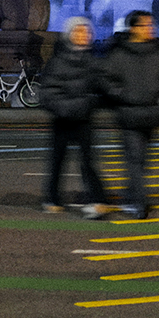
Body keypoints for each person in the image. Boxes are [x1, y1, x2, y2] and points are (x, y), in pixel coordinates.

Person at [99, 11, 159, 219]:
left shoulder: (156, 53)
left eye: (150, 25)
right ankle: (138, 204)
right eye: (144, 25)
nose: (149, 29)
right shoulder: (119, 54)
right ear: (133, 28)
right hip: (128, 114)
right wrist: (122, 94)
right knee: (134, 160)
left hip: (151, 114)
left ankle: (130, 195)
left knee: (141, 162)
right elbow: (106, 80)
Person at [40, 16, 110, 218]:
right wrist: (69, 107)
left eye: (86, 31)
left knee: (88, 162)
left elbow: (103, 88)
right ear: (69, 35)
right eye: (78, 31)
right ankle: (52, 198)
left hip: (84, 120)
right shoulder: (57, 61)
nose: (83, 35)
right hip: (63, 120)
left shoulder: (93, 62)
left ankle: (97, 200)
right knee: (58, 161)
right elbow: (47, 93)